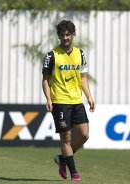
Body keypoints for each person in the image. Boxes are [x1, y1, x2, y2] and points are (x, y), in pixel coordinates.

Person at [42, 20, 95, 181]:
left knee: (84, 135)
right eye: (62, 35)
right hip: (60, 101)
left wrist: (89, 96)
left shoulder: (80, 54)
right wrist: (48, 99)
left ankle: (62, 159)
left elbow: (82, 77)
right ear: (58, 35)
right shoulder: (51, 55)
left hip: (76, 100)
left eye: (68, 34)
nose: (65, 38)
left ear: (73, 35)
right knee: (66, 138)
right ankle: (74, 172)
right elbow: (45, 80)